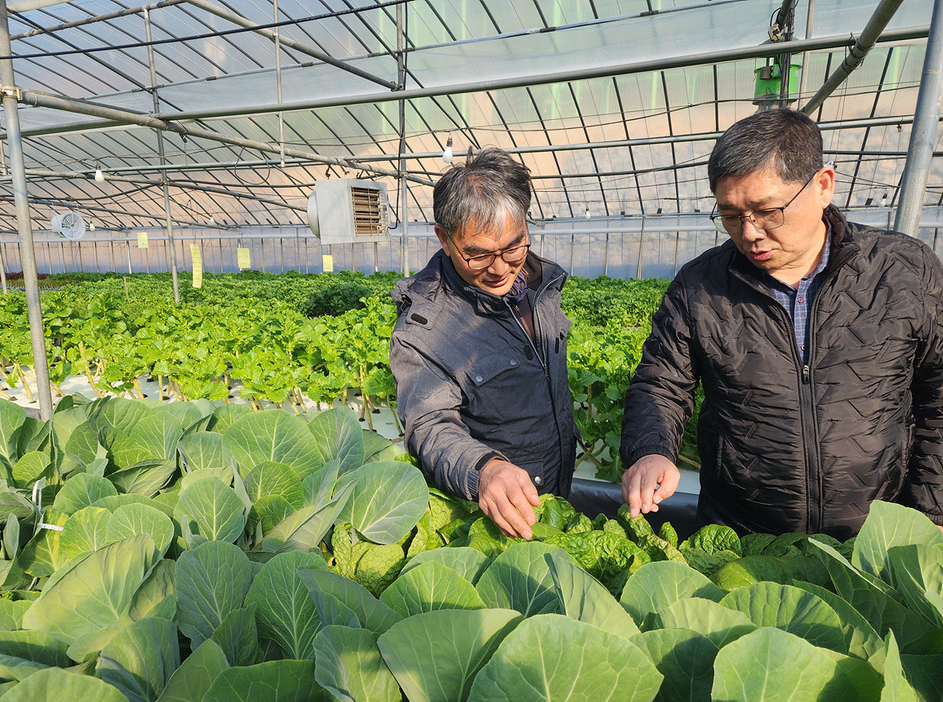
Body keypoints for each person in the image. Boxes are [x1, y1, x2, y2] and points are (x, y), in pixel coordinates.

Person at [619, 107, 943, 540]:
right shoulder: (700, 286)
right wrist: (652, 451)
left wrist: (931, 516)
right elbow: (661, 383)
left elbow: (938, 395)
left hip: (876, 541)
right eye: (731, 215)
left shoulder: (904, 270)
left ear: (823, 186)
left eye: (766, 210)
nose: (749, 232)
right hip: (744, 537)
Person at [389, 147, 577, 540]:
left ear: (525, 225)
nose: (499, 267)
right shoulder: (424, 329)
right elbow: (429, 424)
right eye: (477, 254)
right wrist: (485, 469)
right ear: (444, 238)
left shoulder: (539, 286)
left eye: (513, 246)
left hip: (557, 493)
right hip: (495, 517)